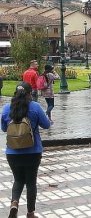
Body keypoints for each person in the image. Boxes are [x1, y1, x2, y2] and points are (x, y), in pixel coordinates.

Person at [1, 82, 52, 218]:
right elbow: (46, 125)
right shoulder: (35, 107)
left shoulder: (6, 108)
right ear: (30, 94)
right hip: (33, 151)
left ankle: (14, 203)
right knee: (30, 182)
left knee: (18, 180)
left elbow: (4, 129)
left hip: (12, 153)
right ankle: (30, 213)